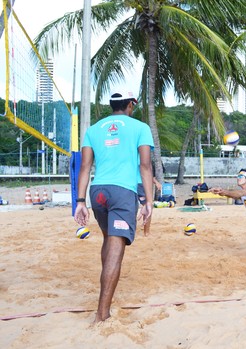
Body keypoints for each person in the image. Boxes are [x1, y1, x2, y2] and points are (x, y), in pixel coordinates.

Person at [74, 92, 154, 323]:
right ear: (130, 105)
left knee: (109, 240)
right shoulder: (140, 127)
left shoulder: (94, 129)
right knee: (116, 248)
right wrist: (148, 202)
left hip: (98, 192)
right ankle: (102, 314)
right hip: (122, 192)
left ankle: (106, 292)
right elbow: (145, 166)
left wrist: (80, 202)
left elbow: (85, 168)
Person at [137, 165, 162, 236]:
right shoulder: (143, 156)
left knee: (147, 207)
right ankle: (146, 233)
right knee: (148, 207)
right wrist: (156, 182)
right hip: (141, 184)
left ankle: (146, 232)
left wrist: (156, 182)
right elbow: (146, 170)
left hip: (131, 184)